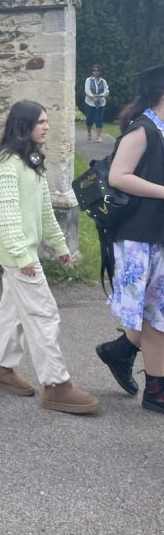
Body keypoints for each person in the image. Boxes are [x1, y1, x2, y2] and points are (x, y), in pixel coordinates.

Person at [0, 100, 99, 414]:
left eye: (47, 121)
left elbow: (45, 211)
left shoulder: (31, 160)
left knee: (14, 311)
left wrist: (61, 248)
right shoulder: (8, 163)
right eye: (41, 122)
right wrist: (23, 256)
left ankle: (0, 369)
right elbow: (7, 215)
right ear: (24, 126)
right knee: (44, 313)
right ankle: (56, 385)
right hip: (16, 251)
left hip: (22, 250)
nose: (47, 126)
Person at [95, 64, 164, 414]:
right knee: (154, 315)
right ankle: (156, 390)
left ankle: (121, 352)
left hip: (159, 234)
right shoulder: (143, 129)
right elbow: (119, 176)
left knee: (157, 314)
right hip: (140, 237)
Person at [83, 64, 109, 142]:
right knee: (89, 119)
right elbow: (87, 90)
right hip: (90, 103)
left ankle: (98, 136)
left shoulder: (103, 81)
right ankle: (89, 133)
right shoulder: (88, 80)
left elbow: (107, 91)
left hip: (100, 103)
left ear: (100, 72)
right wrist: (92, 96)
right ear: (92, 72)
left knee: (99, 119)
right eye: (94, 70)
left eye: (98, 70)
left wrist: (101, 95)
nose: (96, 72)